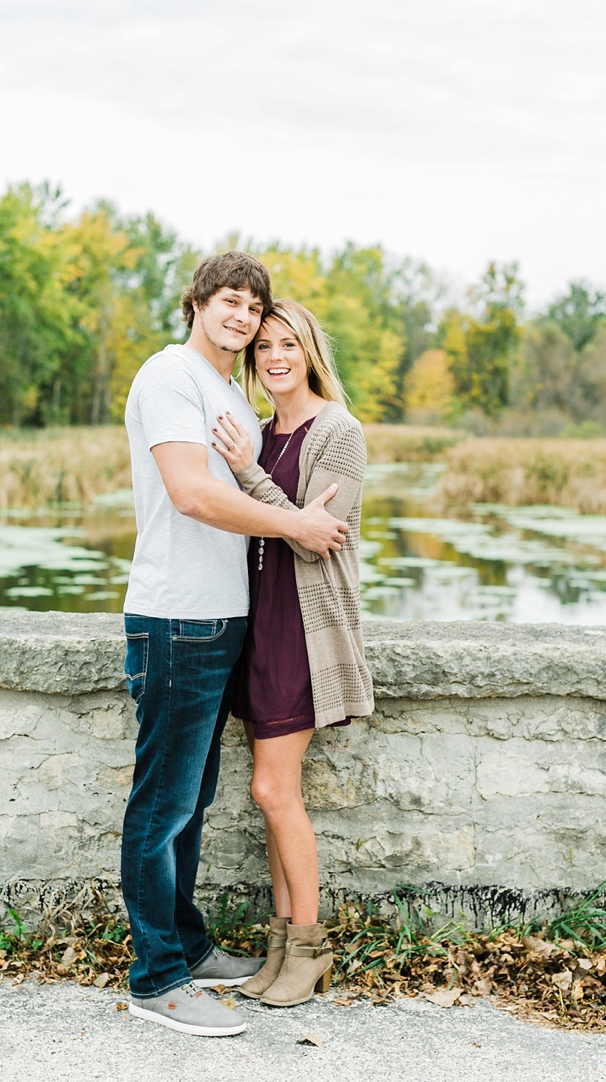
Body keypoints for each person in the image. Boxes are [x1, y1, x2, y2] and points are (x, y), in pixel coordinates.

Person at [121, 255, 350, 1037]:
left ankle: (184, 947)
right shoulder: (168, 375)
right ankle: (156, 979)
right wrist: (294, 521)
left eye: (254, 307)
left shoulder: (228, 392)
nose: (244, 317)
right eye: (230, 301)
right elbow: (190, 491)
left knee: (191, 806)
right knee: (161, 806)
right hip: (177, 619)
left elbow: (251, 480)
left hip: (224, 624)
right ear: (195, 302)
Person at [212, 299, 374, 1007]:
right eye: (264, 346)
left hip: (303, 627)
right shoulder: (260, 428)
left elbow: (315, 533)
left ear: (310, 351)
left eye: (288, 343)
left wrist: (246, 474)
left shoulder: (337, 431)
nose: (275, 356)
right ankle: (282, 949)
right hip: (259, 623)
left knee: (272, 790)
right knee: (272, 794)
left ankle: (308, 948)